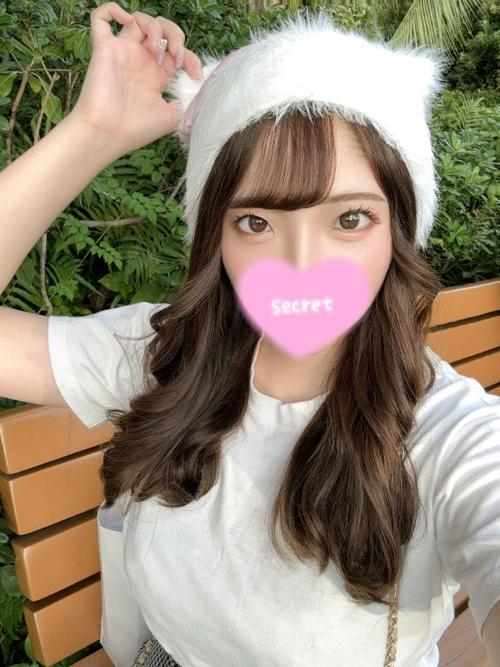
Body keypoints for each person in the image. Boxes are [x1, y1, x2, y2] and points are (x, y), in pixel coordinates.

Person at [0, 3, 499, 667]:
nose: (301, 266)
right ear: (216, 236)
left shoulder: (447, 433)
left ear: (399, 232)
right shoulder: (165, 354)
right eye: (256, 223)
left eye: (350, 219)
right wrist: (93, 131)